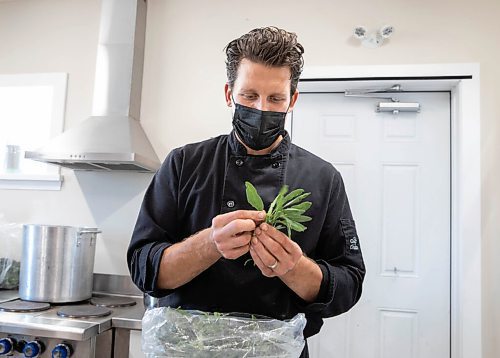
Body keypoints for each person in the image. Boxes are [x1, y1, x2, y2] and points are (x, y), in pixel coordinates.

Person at [127, 26, 365, 357]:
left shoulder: (324, 178)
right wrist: (208, 245)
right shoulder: (184, 164)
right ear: (229, 94)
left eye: (276, 99)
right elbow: (143, 268)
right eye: (249, 96)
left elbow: (349, 283)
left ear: (292, 100)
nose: (261, 109)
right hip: (186, 350)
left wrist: (294, 268)